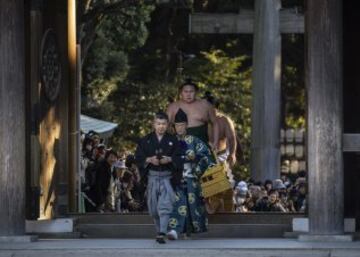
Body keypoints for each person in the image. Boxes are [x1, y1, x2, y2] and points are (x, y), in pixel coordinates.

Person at [167, 108, 215, 240]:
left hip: (192, 177)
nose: (179, 128)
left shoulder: (194, 141)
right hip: (174, 178)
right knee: (178, 202)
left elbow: (207, 157)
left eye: (182, 125)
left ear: (187, 125)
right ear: (174, 127)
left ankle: (186, 231)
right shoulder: (169, 141)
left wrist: (195, 163)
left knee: (190, 204)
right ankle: (174, 230)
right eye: (177, 125)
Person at [135, 111, 182, 244]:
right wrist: (149, 159)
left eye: (163, 124)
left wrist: (170, 159)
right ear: (154, 124)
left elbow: (179, 158)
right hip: (152, 178)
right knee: (154, 209)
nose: (161, 126)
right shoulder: (145, 140)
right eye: (158, 124)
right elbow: (138, 158)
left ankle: (161, 233)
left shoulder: (173, 140)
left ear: (167, 125)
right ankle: (159, 231)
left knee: (164, 206)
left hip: (167, 178)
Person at [167, 79, 219, 150]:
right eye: (186, 91)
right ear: (181, 93)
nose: (188, 94)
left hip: (201, 144)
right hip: (179, 145)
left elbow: (215, 123)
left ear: (196, 92)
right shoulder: (172, 107)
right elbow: (165, 125)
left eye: (191, 91)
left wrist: (215, 142)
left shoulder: (205, 105)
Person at [203, 91, 237, 167]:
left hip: (221, 156)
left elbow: (231, 139)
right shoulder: (199, 120)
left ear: (216, 108)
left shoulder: (224, 121)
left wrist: (232, 154)